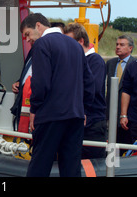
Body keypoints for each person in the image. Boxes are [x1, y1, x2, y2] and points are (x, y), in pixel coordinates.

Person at [23, 13, 95, 177]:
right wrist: (83, 109)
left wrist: (34, 109)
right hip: (75, 117)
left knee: (39, 166)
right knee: (71, 168)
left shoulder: (42, 44)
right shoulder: (76, 45)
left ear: (38, 26)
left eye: (28, 34)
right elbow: (89, 82)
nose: (27, 39)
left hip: (50, 116)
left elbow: (40, 83)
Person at [64, 23, 107, 159]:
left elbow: (92, 88)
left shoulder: (95, 61)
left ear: (81, 41)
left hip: (92, 123)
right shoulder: (74, 61)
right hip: (77, 120)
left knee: (92, 162)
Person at [105, 35, 137, 147]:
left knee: (125, 146)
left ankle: (124, 164)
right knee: (112, 148)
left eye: (122, 45)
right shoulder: (110, 63)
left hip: (128, 116)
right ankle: (112, 164)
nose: (118, 47)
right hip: (111, 115)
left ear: (130, 48)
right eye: (117, 44)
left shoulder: (136, 64)